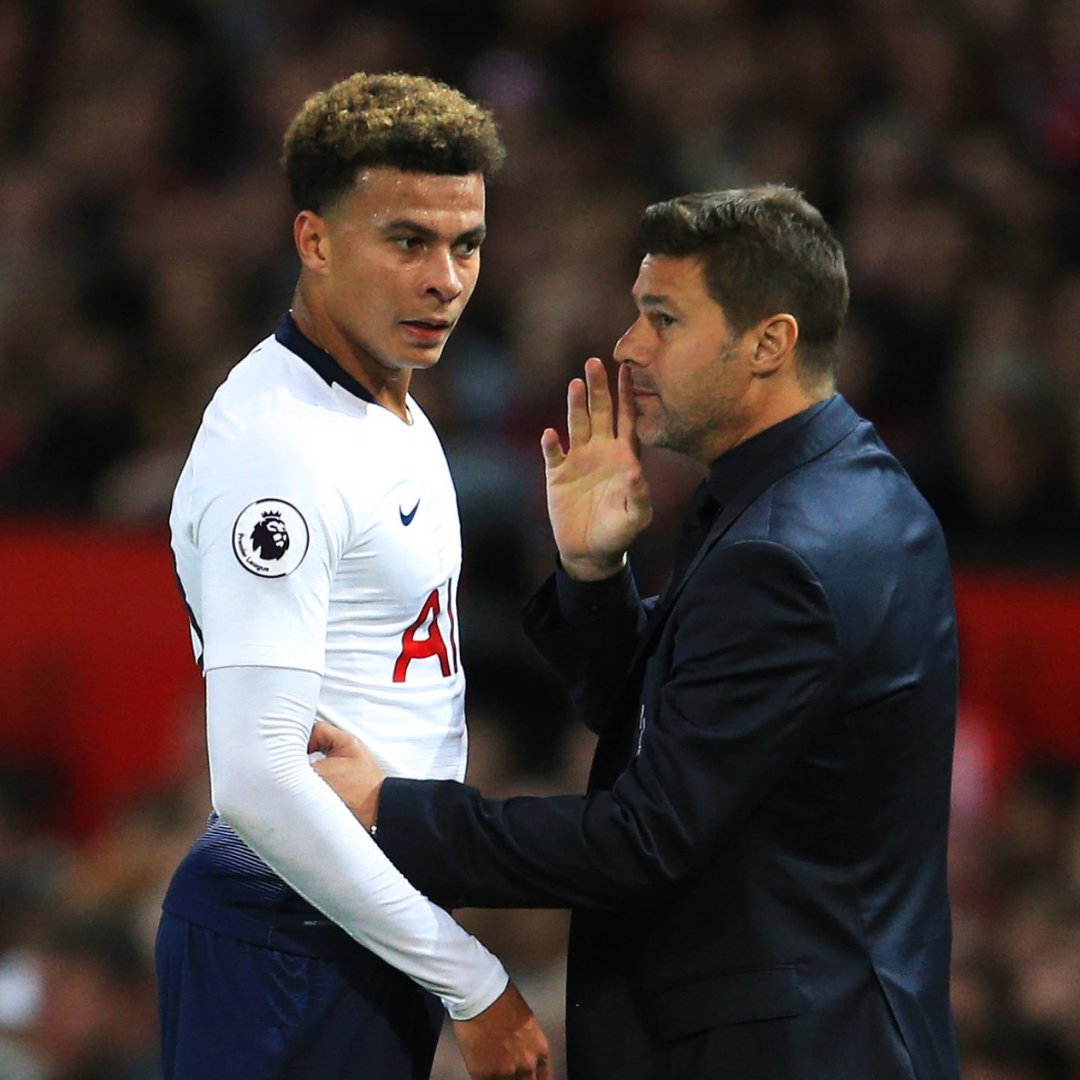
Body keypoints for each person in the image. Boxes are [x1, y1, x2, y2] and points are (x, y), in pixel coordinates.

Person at [310, 185, 961, 1079]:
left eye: (663, 318)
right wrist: (592, 573)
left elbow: (642, 840)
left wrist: (395, 810)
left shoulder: (789, 550)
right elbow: (674, 717)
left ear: (769, 342)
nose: (628, 347)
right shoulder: (835, 493)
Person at [159, 71, 550, 1080]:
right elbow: (255, 778)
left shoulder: (395, 410)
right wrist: (473, 979)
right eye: (407, 240)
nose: (446, 280)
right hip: (285, 937)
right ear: (314, 240)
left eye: (466, 244)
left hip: (357, 927)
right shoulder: (279, 450)